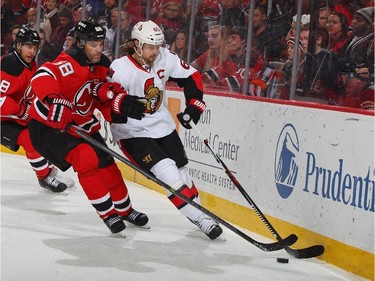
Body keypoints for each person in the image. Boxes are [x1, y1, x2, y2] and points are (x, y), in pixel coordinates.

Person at [27, 20, 149, 235]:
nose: (99, 49)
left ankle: (124, 209)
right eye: (93, 44)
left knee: (108, 165)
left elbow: (101, 93)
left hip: (81, 124)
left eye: (101, 44)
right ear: (81, 43)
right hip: (49, 126)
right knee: (86, 160)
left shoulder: (101, 64)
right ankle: (107, 213)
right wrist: (54, 99)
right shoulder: (68, 62)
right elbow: (42, 76)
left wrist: (119, 103)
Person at [108, 20, 223, 240]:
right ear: (136, 45)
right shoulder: (120, 69)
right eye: (150, 47)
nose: (155, 51)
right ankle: (202, 218)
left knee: (181, 172)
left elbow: (191, 77)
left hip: (162, 126)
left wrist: (195, 105)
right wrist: (120, 106)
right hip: (133, 133)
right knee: (168, 171)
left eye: (158, 46)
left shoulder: (163, 57)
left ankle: (200, 216)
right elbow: (108, 99)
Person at [0, 27, 73, 193]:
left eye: (34, 47)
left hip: (14, 117)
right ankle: (44, 177)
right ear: (18, 45)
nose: (32, 51)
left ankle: (49, 169)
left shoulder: (29, 64)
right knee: (30, 139)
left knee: (45, 132)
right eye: (28, 46)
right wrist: (20, 111)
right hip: (4, 119)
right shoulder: (11, 65)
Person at [337, 7, 374, 109]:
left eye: (359, 20)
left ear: (368, 24)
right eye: (354, 19)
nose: (354, 22)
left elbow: (365, 64)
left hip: (362, 84)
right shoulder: (353, 37)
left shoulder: (368, 40)